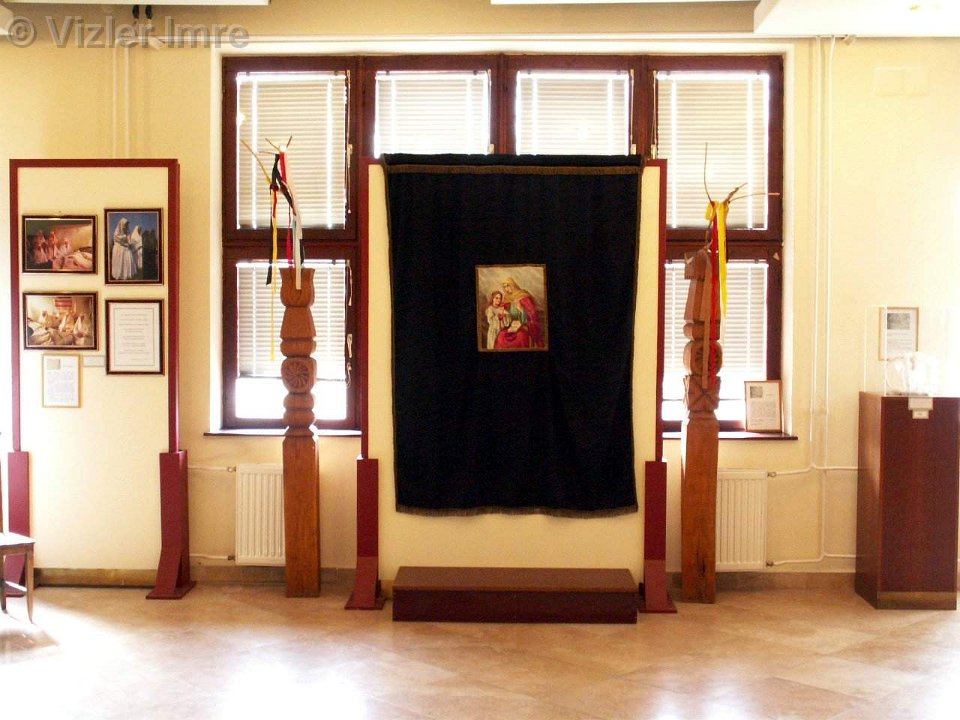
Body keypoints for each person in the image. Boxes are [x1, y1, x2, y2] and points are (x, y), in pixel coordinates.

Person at [494, 276, 544, 350]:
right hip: (512, 327)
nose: (506, 289)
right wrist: (502, 316)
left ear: (513, 285)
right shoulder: (507, 299)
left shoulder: (523, 296)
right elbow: (504, 316)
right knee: (501, 336)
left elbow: (532, 314)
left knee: (520, 337)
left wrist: (521, 310)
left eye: (508, 285)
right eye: (504, 287)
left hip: (524, 326)